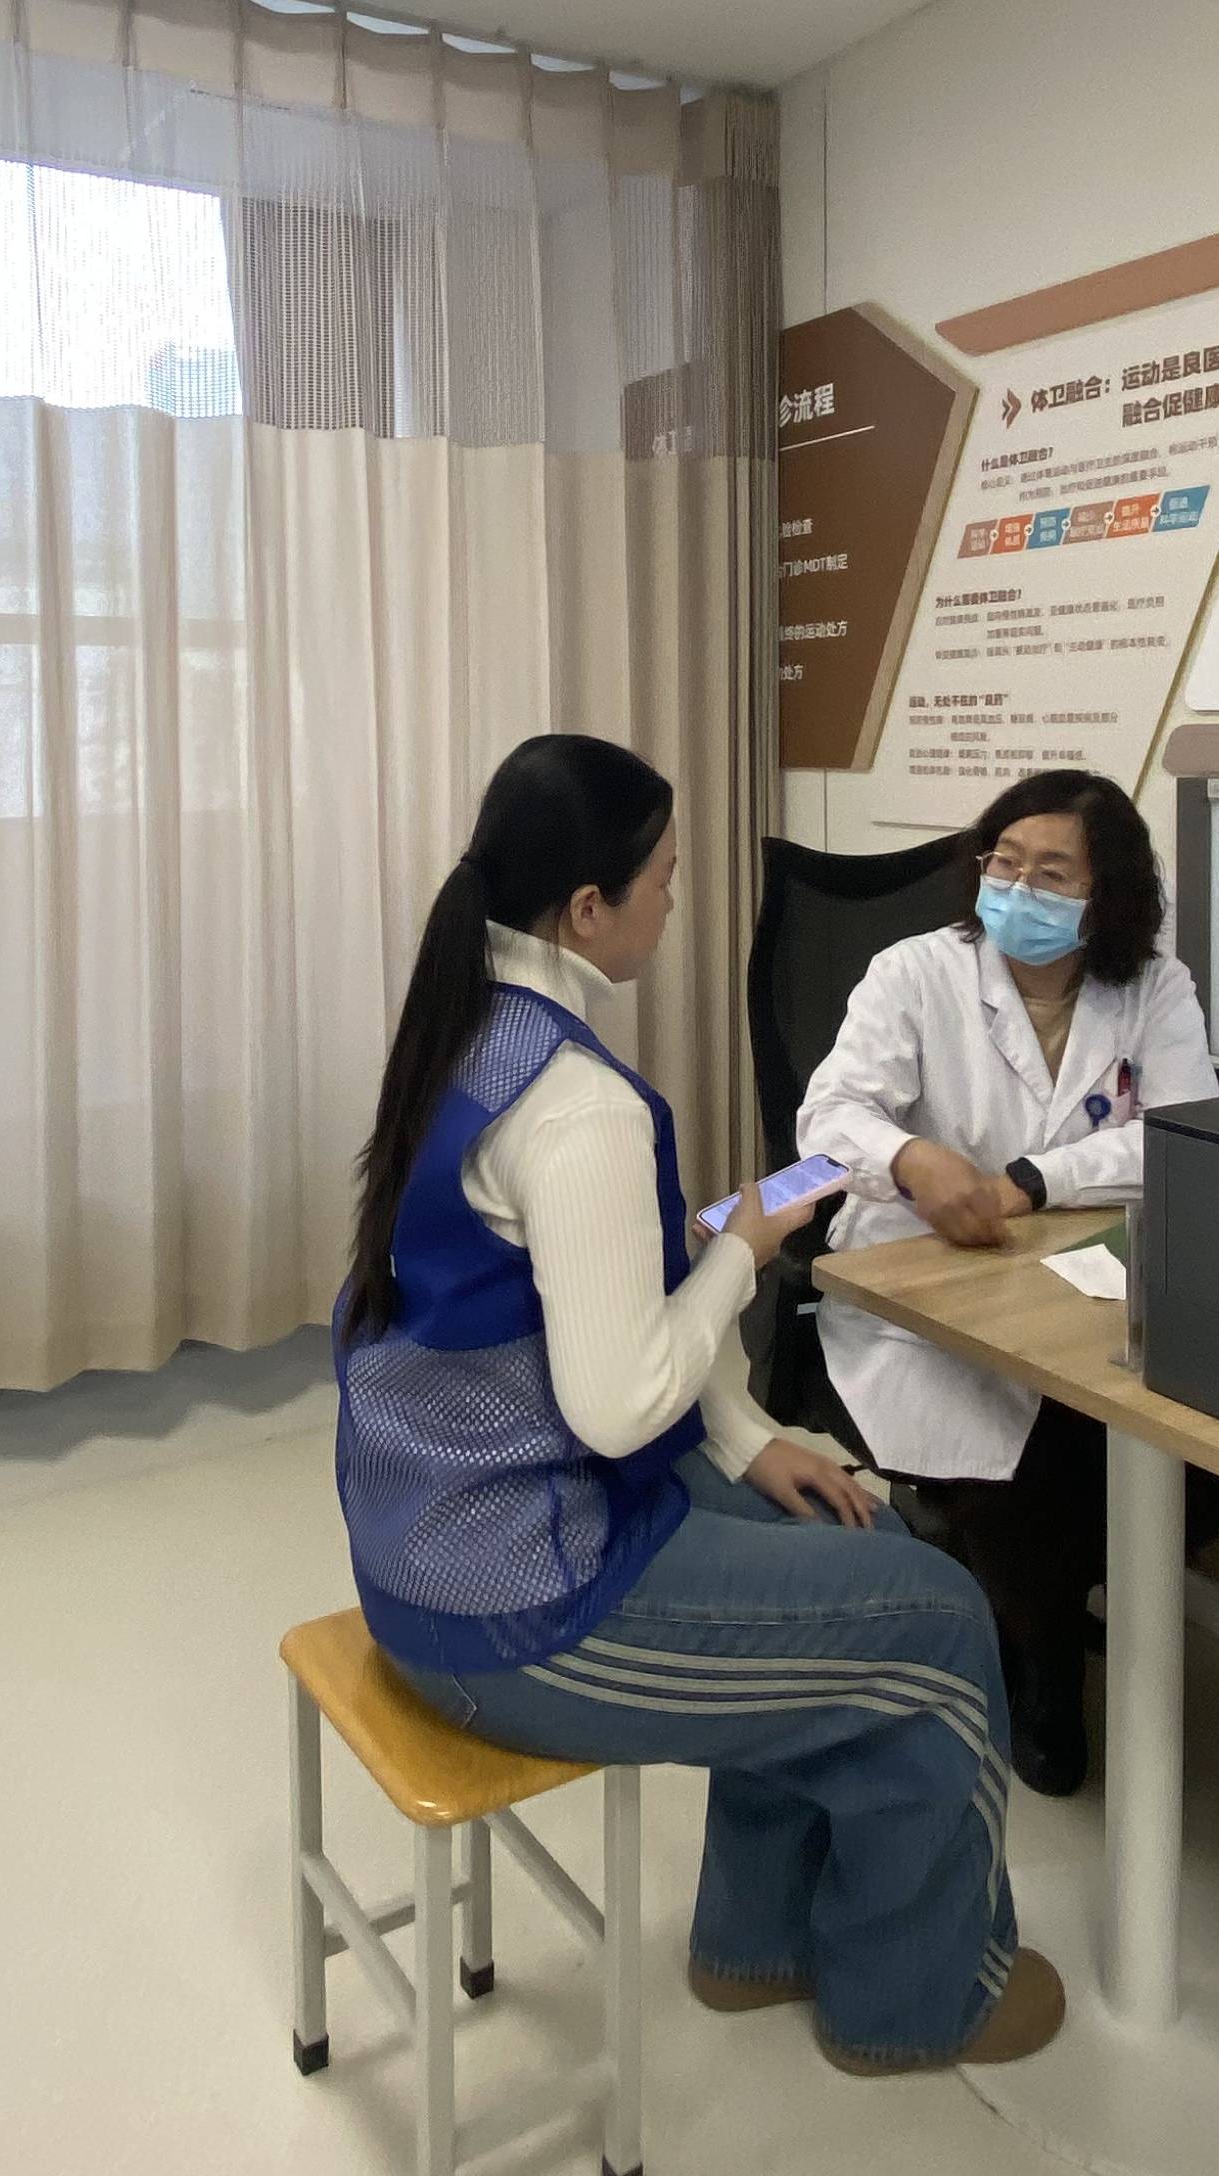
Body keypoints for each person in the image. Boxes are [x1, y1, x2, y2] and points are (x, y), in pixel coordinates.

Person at [335, 733, 1063, 2075]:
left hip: (433, 1529)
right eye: (664, 877)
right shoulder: (579, 1107)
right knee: (940, 1619)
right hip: (512, 1603)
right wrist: (746, 1248)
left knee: (836, 1531)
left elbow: (604, 1288)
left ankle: (754, 1940)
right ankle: (916, 2002)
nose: (677, 900)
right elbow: (620, 1403)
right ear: (588, 908)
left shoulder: (468, 1026)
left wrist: (752, 1433)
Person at [797, 769, 1219, 1799]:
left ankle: (1034, 1604)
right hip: (919, 1284)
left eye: (1049, 873)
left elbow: (1180, 1136)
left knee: (1188, 1464)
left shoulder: (1152, 989)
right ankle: (1035, 1656)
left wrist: (1037, 1179)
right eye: (1002, 862)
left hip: (1074, 1277)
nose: (1016, 888)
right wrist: (911, 1158)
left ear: (1105, 896)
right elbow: (828, 1118)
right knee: (1028, 1473)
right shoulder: (915, 973)